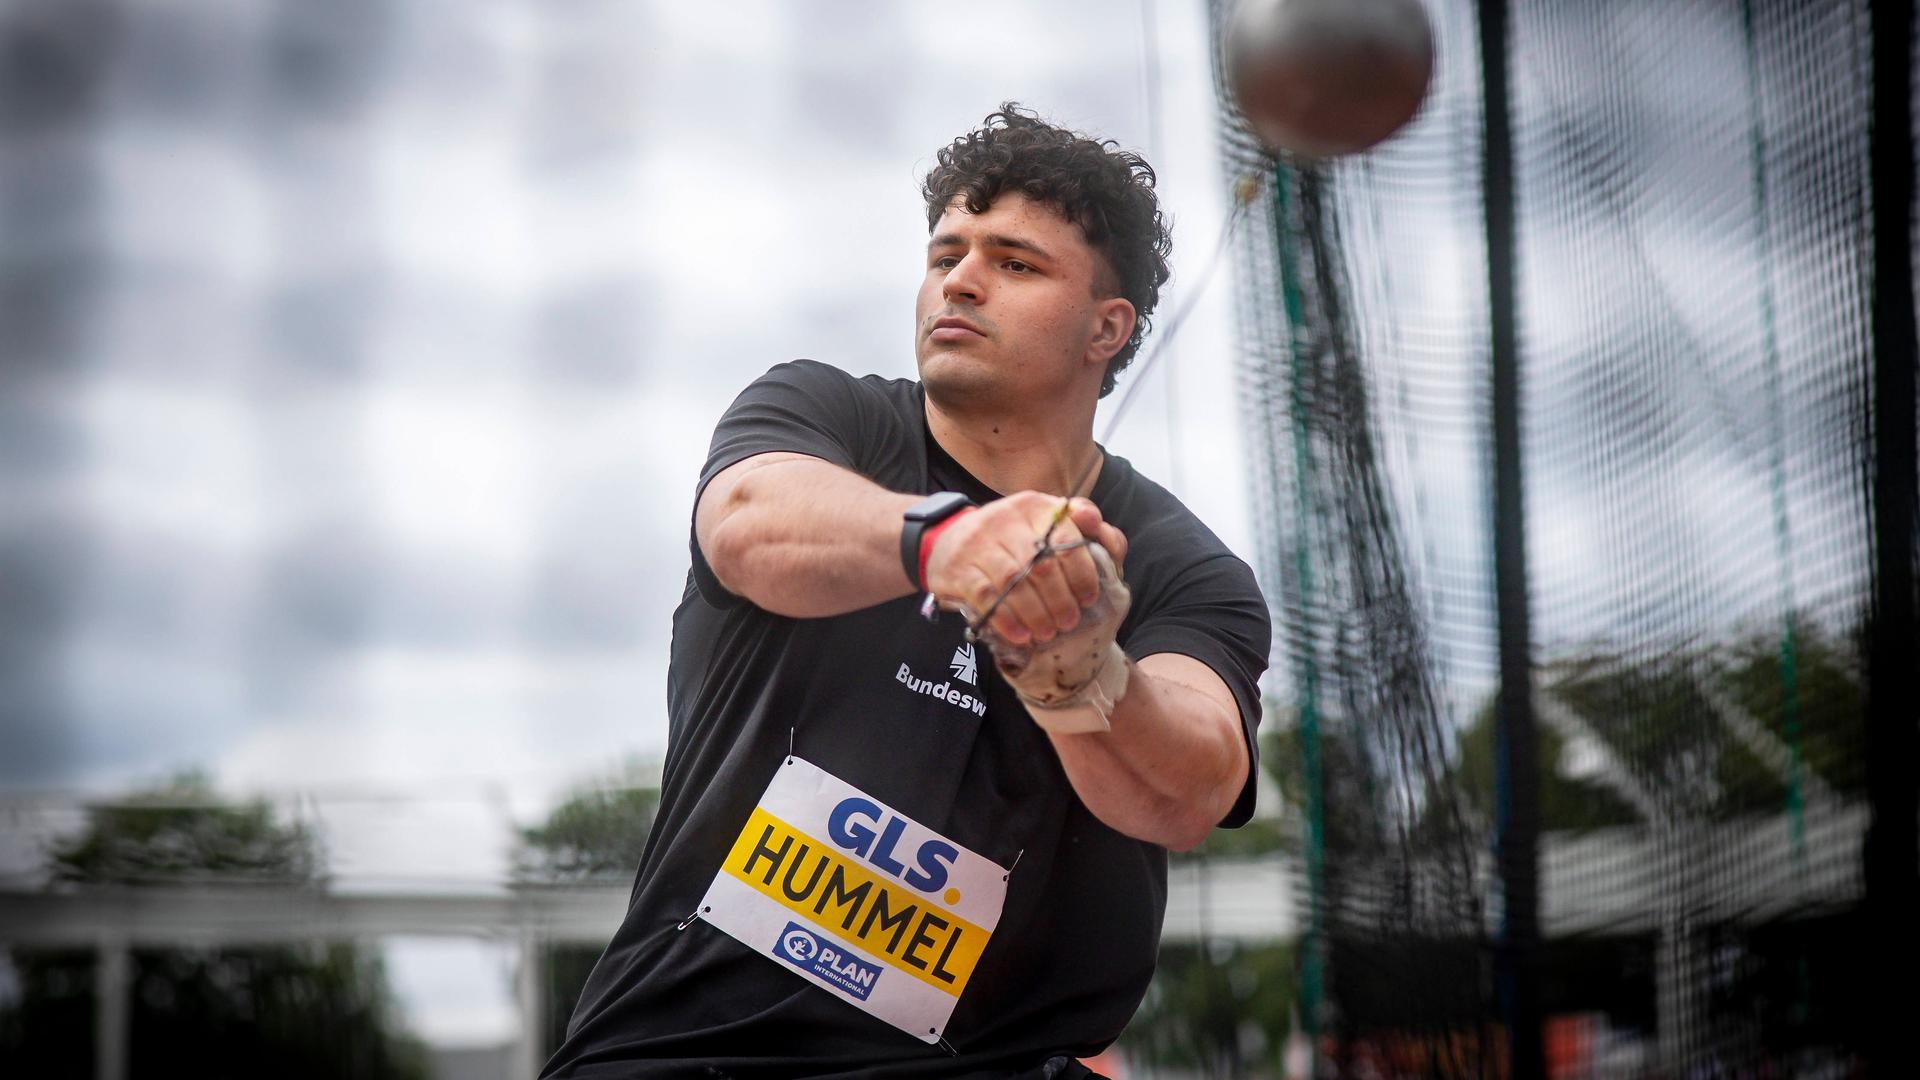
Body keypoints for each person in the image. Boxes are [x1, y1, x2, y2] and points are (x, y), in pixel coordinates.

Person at [542, 104, 1270, 1079]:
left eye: (1015, 263)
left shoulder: (1182, 566)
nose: (960, 281)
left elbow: (1192, 785)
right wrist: (947, 541)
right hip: (692, 1048)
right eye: (946, 254)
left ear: (1109, 326)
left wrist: (1084, 673)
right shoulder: (825, 414)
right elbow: (749, 523)